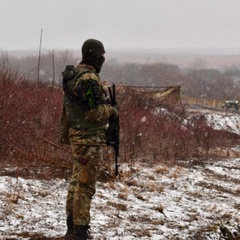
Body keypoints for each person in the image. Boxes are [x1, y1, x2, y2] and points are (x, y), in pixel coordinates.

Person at [61, 39, 118, 240]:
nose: (103, 59)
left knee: (76, 183)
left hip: (78, 137)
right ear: (94, 55)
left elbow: (67, 111)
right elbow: (93, 112)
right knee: (85, 186)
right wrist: (111, 110)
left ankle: (72, 228)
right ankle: (80, 231)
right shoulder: (89, 80)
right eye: (101, 55)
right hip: (89, 140)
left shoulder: (73, 75)